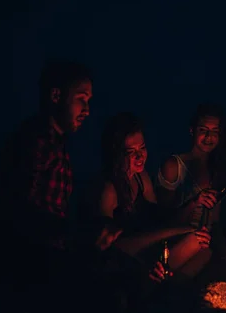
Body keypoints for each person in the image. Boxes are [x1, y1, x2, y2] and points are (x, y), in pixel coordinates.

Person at [0, 60, 113, 313]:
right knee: (109, 300)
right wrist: (77, 234)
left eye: (89, 101)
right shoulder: (36, 142)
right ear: (56, 96)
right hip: (25, 268)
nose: (87, 110)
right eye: (81, 99)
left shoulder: (56, 144)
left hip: (44, 259)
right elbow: (19, 213)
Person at [79, 112, 212, 293]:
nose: (140, 156)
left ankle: (169, 289)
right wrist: (175, 232)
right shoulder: (108, 190)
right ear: (116, 154)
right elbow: (108, 249)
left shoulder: (141, 178)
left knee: (204, 249)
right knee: (194, 240)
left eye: (142, 148)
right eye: (131, 152)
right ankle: (161, 291)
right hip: (124, 263)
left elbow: (160, 219)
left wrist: (193, 204)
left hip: (147, 253)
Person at [156, 103, 226, 282]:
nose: (209, 137)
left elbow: (215, 222)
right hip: (178, 243)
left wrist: (224, 252)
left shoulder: (217, 171)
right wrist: (194, 203)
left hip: (206, 243)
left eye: (215, 132)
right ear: (192, 131)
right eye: (203, 130)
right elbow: (162, 222)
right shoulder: (174, 166)